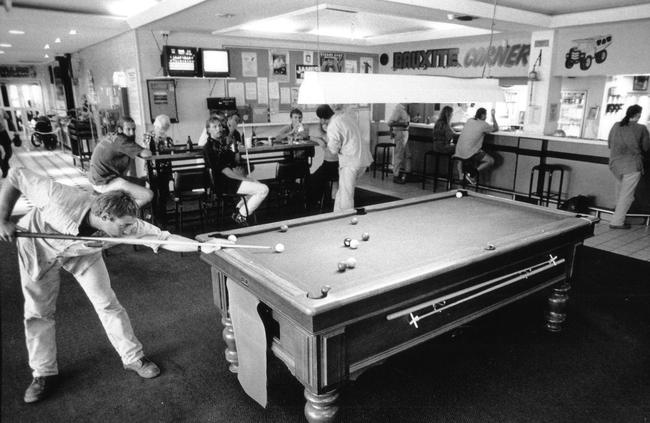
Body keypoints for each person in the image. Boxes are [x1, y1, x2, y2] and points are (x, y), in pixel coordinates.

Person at [0, 167, 225, 404]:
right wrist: (3, 219)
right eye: (125, 227)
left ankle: (133, 358)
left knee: (107, 303)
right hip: (39, 245)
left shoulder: (124, 222)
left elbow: (164, 239)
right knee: (38, 313)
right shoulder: (56, 196)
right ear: (106, 216)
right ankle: (43, 373)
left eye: (130, 225)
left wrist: (201, 247)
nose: (129, 231)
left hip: (84, 249)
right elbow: (16, 174)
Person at [203, 117, 268, 226]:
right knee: (263, 189)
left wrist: (235, 147)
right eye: (215, 127)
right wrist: (244, 178)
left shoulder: (221, 144)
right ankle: (241, 215)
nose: (219, 128)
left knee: (258, 185)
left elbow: (235, 160)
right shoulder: (209, 147)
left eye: (219, 126)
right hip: (224, 183)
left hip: (230, 180)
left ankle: (238, 210)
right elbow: (225, 171)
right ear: (208, 130)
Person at [316, 104, 373, 212]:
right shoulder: (345, 116)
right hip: (363, 159)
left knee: (346, 194)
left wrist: (327, 134)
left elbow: (333, 149)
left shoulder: (332, 125)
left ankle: (345, 222)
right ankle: (336, 215)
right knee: (342, 191)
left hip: (351, 162)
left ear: (322, 119)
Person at [88, 117, 153, 207]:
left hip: (99, 178)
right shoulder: (122, 141)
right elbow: (147, 154)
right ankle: (124, 213)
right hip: (104, 183)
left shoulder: (112, 136)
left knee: (142, 182)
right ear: (120, 129)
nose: (132, 133)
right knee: (148, 195)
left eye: (133, 129)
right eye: (128, 129)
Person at [607, 104, 650, 229]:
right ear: (638, 115)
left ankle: (618, 217)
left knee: (620, 193)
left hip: (615, 165)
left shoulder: (616, 125)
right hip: (631, 165)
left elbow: (609, 143)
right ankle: (616, 222)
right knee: (627, 195)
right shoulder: (641, 128)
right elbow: (646, 147)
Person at [454, 108, 498, 185]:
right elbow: (496, 128)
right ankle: (472, 174)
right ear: (483, 115)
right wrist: (493, 116)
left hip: (458, 151)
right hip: (471, 152)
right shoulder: (484, 124)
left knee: (461, 159)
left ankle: (461, 178)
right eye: (486, 115)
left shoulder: (469, 120)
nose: (486, 117)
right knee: (490, 161)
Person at [307, 122, 339, 210]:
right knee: (314, 177)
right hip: (328, 165)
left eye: (327, 124)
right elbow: (309, 137)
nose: (325, 126)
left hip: (334, 166)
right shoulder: (325, 136)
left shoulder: (333, 135)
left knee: (313, 178)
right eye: (323, 125)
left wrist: (321, 140)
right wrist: (318, 140)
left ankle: (317, 202)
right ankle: (319, 200)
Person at [388, 103, 411, 184]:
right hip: (401, 133)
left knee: (408, 155)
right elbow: (390, 122)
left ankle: (407, 174)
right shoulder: (399, 109)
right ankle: (396, 176)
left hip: (405, 133)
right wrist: (403, 124)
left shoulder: (404, 109)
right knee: (399, 155)